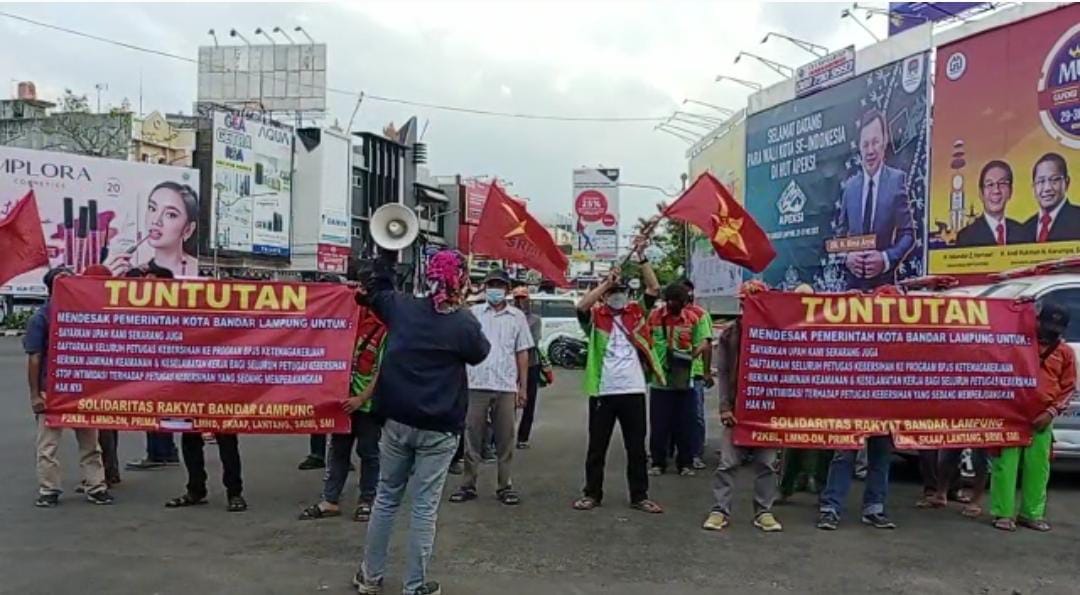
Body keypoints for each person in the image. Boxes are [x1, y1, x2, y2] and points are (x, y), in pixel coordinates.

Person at [353, 248, 490, 595]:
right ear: (461, 280)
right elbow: (480, 353)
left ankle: (370, 578)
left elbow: (378, 291)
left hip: (397, 422)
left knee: (386, 498)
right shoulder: (463, 323)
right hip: (440, 429)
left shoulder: (403, 308)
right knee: (424, 508)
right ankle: (415, 586)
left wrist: (385, 256)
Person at [571, 256, 664, 514]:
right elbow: (581, 306)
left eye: (621, 292)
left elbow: (654, 289)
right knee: (597, 447)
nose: (617, 296)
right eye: (613, 293)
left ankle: (639, 496)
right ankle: (592, 494)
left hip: (633, 390)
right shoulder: (596, 316)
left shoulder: (636, 313)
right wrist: (604, 284)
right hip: (604, 391)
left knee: (636, 447)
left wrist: (644, 260)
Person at [25, 266, 114, 507]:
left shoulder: (84, 313)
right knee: (48, 445)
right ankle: (49, 489)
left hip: (81, 390)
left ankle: (96, 486)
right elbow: (34, 358)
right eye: (65, 281)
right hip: (51, 391)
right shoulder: (42, 317)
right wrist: (35, 395)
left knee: (90, 442)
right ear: (53, 287)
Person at [703, 280, 782, 532]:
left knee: (767, 463)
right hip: (737, 409)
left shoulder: (780, 331)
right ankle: (720, 510)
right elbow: (724, 373)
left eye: (750, 302)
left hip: (767, 411)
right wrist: (725, 407)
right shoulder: (731, 333)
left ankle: (764, 511)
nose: (745, 306)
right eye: (743, 302)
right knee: (727, 462)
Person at [990, 302, 1075, 532]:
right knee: (1005, 466)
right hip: (1012, 414)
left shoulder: (1065, 353)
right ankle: (1002, 513)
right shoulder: (1017, 343)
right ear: (1036, 321)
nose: (1049, 333)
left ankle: (1031, 514)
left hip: (1042, 418)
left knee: (1038, 468)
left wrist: (1051, 412)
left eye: (1055, 330)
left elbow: (1069, 388)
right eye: (1046, 326)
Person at [450, 270, 533, 506]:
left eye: (500, 285)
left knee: (506, 438)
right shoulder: (473, 314)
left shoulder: (516, 317)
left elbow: (522, 353)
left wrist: (523, 387)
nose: (495, 289)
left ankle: (504, 485)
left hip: (505, 385)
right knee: (471, 437)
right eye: (491, 285)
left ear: (507, 290)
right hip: (475, 383)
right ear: (485, 288)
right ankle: (468, 485)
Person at [299, 303, 385, 522]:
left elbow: (383, 372)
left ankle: (367, 500)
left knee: (368, 452)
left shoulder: (384, 330)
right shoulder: (342, 325)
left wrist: (361, 398)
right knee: (338, 451)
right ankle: (330, 500)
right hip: (342, 402)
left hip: (367, 405)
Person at [836, 109, 915, 288]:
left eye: (875, 142)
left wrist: (886, 258)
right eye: (865, 144)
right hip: (852, 292)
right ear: (859, 147)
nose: (870, 150)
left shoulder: (897, 181)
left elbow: (908, 234)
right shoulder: (849, 187)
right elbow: (839, 237)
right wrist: (847, 257)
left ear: (884, 142)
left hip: (884, 289)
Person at [647, 282, 710, 477]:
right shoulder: (654, 316)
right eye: (672, 302)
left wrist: (691, 355)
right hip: (660, 380)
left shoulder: (693, 318)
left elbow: (705, 341)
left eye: (679, 302)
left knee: (685, 424)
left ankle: (686, 463)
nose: (675, 306)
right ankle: (658, 462)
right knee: (659, 424)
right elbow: (644, 339)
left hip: (685, 379)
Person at [123, 265, 180, 471]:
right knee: (157, 411)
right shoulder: (168, 304)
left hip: (162, 368)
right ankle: (164, 452)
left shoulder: (164, 306)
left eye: (149, 280)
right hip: (158, 368)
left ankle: (160, 453)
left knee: (156, 410)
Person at [80, 264, 121, 487]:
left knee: (101, 430)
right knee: (105, 429)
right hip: (105, 378)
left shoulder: (93, 305)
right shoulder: (113, 304)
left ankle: (104, 473)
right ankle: (108, 471)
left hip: (100, 378)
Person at [106, 181, 200, 278]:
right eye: (152, 208)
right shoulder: (136, 275)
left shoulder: (201, 273)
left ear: (188, 229)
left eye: (170, 214)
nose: (156, 221)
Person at [681, 279, 713, 470]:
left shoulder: (700, 315)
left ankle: (696, 453)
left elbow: (706, 344)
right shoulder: (666, 314)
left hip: (696, 373)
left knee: (696, 416)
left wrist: (707, 371)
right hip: (673, 373)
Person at [956, 160, 1023, 247]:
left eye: (1002, 183)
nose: (996, 190)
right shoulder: (966, 237)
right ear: (981, 193)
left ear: (1010, 191)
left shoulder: (1022, 233)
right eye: (990, 184)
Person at [1021, 152, 1078, 243]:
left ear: (1067, 183)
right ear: (1033, 187)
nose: (1047, 188)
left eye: (1054, 180)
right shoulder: (1025, 229)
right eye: (1041, 181)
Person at [513, 286, 544, 449]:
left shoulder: (535, 320)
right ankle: (500, 438)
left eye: (523, 298)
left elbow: (531, 342)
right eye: (517, 299)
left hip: (531, 364)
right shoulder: (508, 318)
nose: (520, 302)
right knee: (506, 403)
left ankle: (523, 438)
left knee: (529, 402)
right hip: (510, 365)